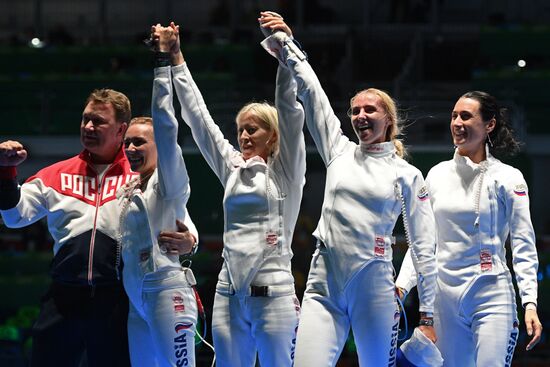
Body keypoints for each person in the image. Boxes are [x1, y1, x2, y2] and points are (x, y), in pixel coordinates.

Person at [259, 12, 438, 366]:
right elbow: (312, 96)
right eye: (355, 110)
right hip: (323, 280)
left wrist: (428, 315)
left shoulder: (406, 174)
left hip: (373, 287)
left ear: (388, 119)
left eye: (370, 109)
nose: (360, 116)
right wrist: (288, 44)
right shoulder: (338, 150)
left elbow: (424, 246)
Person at [0, 89, 192, 367]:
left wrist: (191, 241)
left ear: (121, 129)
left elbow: (178, 214)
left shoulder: (141, 175)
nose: (88, 127)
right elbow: (14, 217)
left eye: (98, 121)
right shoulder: (56, 174)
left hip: (117, 300)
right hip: (63, 298)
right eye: (85, 119)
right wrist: (6, 172)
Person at [154, 19, 306, 366]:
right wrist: (177, 58)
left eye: (252, 129)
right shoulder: (233, 167)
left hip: (274, 297)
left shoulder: (287, 172)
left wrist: (284, 47)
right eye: (240, 130)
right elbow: (200, 120)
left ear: (272, 135)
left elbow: (289, 108)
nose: (244, 136)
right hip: (227, 294)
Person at [396, 91, 543, 366]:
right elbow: (423, 243)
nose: (457, 122)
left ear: (489, 125)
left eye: (466, 116)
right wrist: (402, 287)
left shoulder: (508, 178)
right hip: (444, 297)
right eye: (454, 116)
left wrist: (530, 302)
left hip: (491, 292)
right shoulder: (437, 175)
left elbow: (524, 244)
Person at [119, 101, 198, 367]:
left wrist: (163, 71)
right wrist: (191, 239)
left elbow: (168, 132)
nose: (130, 149)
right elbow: (179, 216)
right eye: (127, 142)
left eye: (139, 142)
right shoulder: (128, 190)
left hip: (167, 292)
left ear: (159, 146)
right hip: (135, 300)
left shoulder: (167, 181)